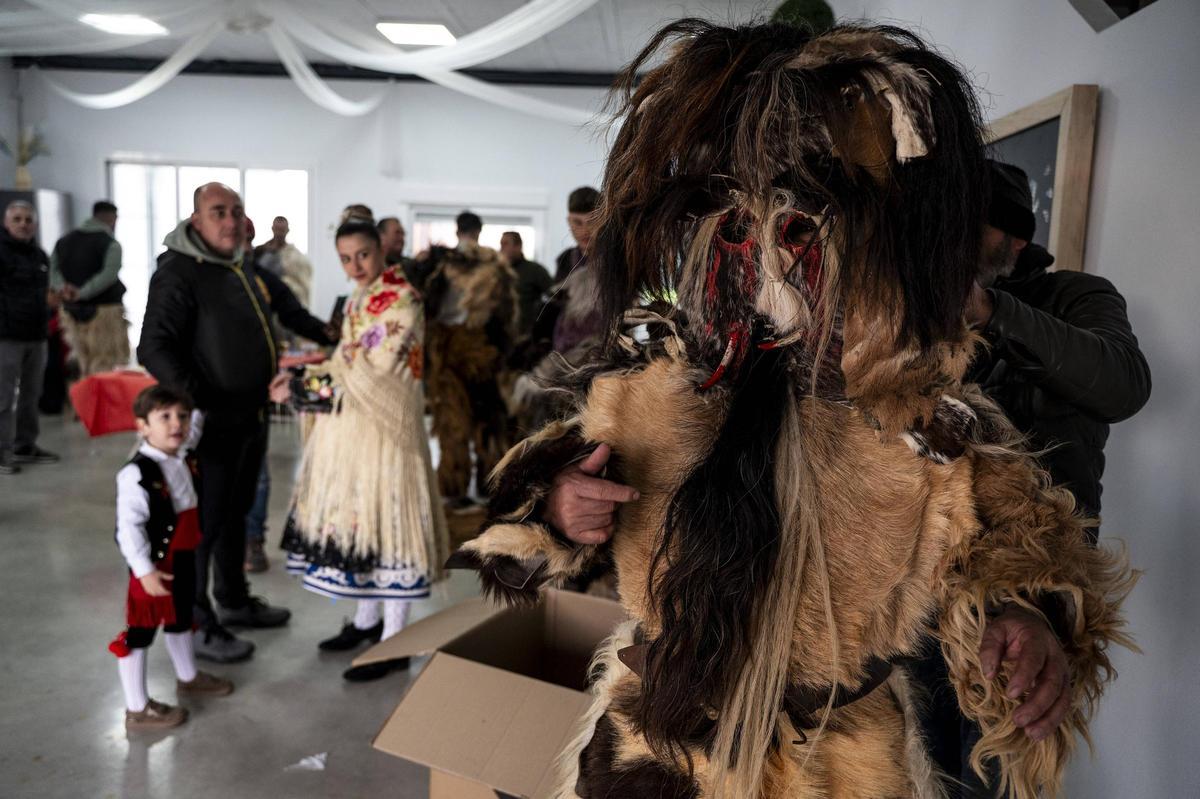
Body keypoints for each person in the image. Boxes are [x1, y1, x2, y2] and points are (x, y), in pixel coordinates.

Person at [446, 21, 1134, 799]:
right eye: (740, 230)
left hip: (839, 766)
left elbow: (1012, 535)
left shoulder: (921, 418)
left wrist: (1025, 615)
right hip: (655, 754)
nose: (770, 264)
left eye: (799, 234)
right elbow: (521, 534)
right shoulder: (653, 390)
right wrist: (564, 505)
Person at [910, 159, 1153, 798]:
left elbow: (1123, 385)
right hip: (921, 587)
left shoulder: (1077, 296)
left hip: (1033, 593)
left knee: (990, 777)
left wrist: (991, 311)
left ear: (1016, 242)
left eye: (973, 227)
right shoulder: (915, 312)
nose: (950, 243)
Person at [273, 220, 449, 681]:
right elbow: (344, 360)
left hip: (387, 435)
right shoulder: (357, 298)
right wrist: (309, 375)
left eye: (363, 255)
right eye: (346, 258)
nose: (355, 266)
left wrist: (301, 386)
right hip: (352, 431)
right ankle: (367, 623)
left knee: (390, 528)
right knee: (362, 525)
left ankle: (395, 643)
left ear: (382, 251)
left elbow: (376, 372)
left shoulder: (403, 299)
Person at [138, 182, 292, 664]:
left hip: (250, 413)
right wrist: (195, 404)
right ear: (196, 221)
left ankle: (234, 599)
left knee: (235, 511)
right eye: (217, 212)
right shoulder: (179, 271)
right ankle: (198, 623)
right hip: (211, 420)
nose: (229, 220)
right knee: (203, 524)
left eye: (236, 211)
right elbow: (154, 346)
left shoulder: (238, 265)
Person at [109, 385, 233, 730]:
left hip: (183, 556)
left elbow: (194, 430)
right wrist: (145, 571)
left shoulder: (182, 452)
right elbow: (128, 529)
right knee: (140, 633)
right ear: (142, 427)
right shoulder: (135, 473)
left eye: (181, 416)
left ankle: (188, 676)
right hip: (153, 566)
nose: (176, 424)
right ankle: (137, 708)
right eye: (164, 417)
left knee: (181, 618)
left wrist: (204, 397)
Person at [421, 211, 518, 510]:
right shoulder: (458, 264)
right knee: (469, 420)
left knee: (470, 420)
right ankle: (476, 486)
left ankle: (470, 486)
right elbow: (506, 316)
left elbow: (505, 314)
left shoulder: (461, 265)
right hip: (462, 350)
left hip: (466, 350)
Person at [0, 200, 58, 474]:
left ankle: (25, 445)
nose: (23, 224)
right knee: (3, 398)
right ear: (6, 223)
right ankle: (2, 452)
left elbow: (43, 294)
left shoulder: (40, 256)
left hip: (37, 335)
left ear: (34, 224)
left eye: (28, 220)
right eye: (17, 219)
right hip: (6, 337)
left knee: (31, 394)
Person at [50, 200, 130, 377]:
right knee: (107, 366)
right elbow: (108, 275)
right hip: (105, 315)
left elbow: (52, 271)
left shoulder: (63, 241)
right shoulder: (110, 244)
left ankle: (78, 404)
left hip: (69, 314)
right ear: (113, 219)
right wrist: (81, 293)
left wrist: (64, 289)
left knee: (76, 366)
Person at [253, 215, 314, 309]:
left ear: (287, 230)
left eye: (282, 230)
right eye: (277, 229)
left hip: (284, 302)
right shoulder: (261, 251)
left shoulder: (294, 256)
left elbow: (302, 283)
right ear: (272, 229)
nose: (279, 233)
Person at [499, 230, 551, 339]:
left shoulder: (535, 270)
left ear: (518, 246)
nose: (501, 248)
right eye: (501, 244)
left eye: (506, 244)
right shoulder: (497, 272)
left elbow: (553, 295)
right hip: (501, 331)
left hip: (526, 332)